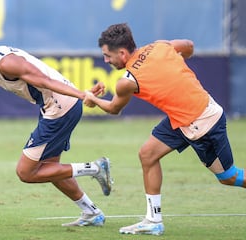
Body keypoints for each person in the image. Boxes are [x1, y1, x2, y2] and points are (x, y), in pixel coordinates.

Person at [0, 27, 113, 227]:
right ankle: (91, 212)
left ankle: (95, 168)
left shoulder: (7, 63)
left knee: (26, 172)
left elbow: (45, 81)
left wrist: (82, 95)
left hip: (60, 109)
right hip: (55, 108)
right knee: (51, 169)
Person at [84, 23, 246, 235]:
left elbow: (114, 108)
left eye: (107, 55)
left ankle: (153, 220)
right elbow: (188, 45)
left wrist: (93, 99)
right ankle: (153, 220)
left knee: (228, 177)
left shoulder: (127, 81)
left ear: (122, 53)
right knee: (148, 154)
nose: (106, 60)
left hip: (202, 122)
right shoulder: (160, 46)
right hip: (181, 118)